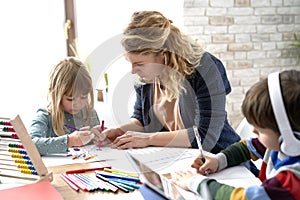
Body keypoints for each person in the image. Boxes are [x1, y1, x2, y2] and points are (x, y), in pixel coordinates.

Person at [96, 11, 240, 155]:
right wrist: (118, 131)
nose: (133, 71)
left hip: (221, 159)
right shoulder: (146, 78)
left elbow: (205, 136)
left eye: (139, 64)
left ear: (163, 55)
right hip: (180, 160)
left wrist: (147, 139)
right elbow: (141, 121)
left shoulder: (206, 69)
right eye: (131, 63)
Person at [172, 70, 300, 200]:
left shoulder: (292, 179)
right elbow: (247, 148)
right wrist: (218, 161)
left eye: (261, 130)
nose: (254, 132)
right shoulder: (282, 145)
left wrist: (194, 182)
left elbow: (242, 198)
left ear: (288, 135)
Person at [30, 57, 100, 155]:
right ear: (55, 94)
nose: (78, 104)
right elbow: (30, 145)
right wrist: (69, 141)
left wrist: (98, 138)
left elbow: (95, 146)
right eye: (70, 99)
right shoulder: (45, 116)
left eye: (83, 97)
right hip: (56, 169)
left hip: (87, 167)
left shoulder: (90, 113)